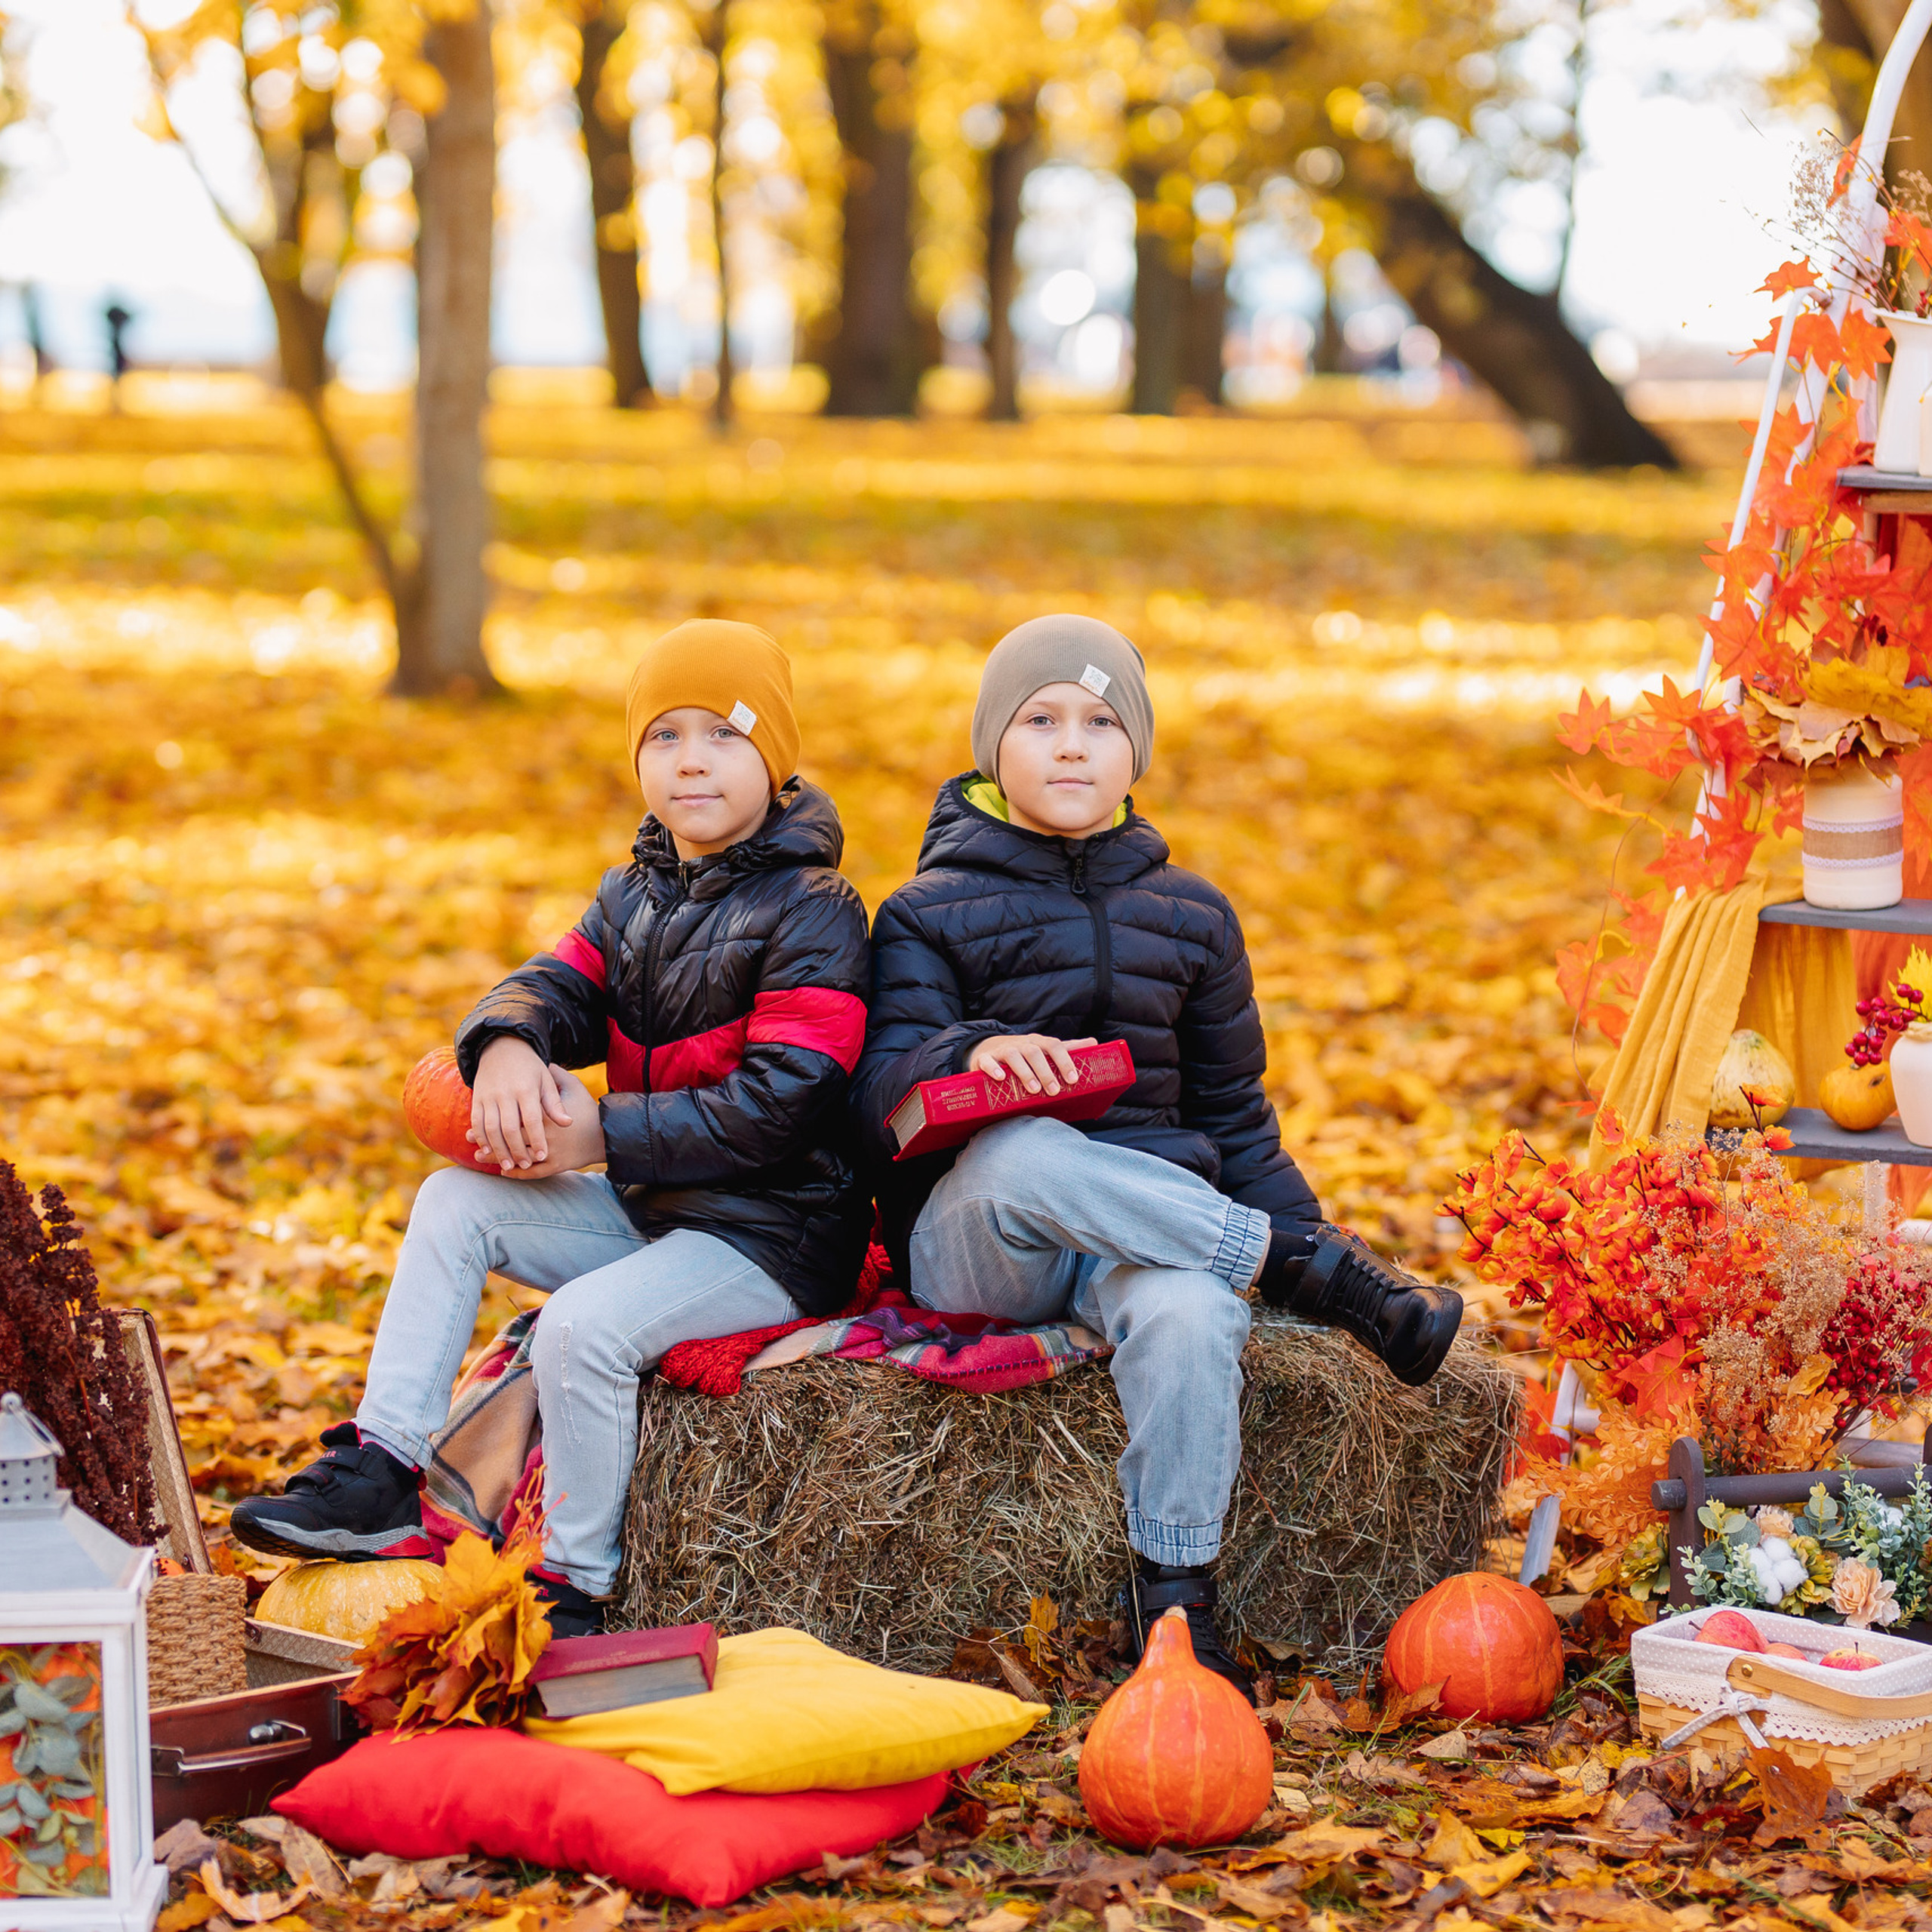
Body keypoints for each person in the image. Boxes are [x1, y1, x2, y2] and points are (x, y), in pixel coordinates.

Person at [851, 614, 1461, 1694]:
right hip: (988, 1245)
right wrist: (973, 1051)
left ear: (1137, 749)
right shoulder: (924, 913)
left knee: (1191, 1311)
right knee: (1019, 1150)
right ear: (992, 745)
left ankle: (1176, 1601)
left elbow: (1234, 1114)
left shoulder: (1193, 917)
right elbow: (877, 1086)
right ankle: (1297, 1266)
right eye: (1040, 720)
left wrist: (1303, 1215)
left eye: (1101, 723)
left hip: (1148, 1234)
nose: (1072, 745)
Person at [233, 622, 872, 1634]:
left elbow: (786, 1102)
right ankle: (385, 1466)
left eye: (725, 734)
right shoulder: (633, 895)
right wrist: (507, 1042)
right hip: (658, 1214)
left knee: (581, 1325)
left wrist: (602, 1134)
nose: (692, 759)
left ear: (776, 758)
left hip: (774, 1236)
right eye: (664, 736)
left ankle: (575, 1582)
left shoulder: (816, 908)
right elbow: (551, 985)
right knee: (455, 1202)